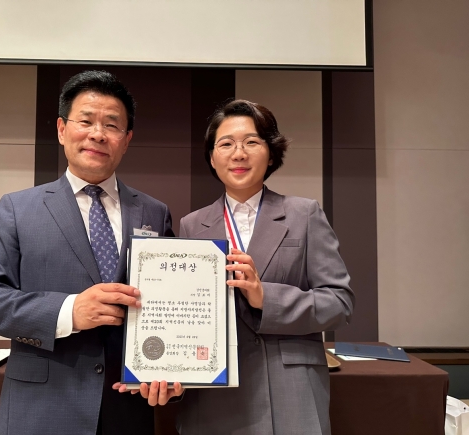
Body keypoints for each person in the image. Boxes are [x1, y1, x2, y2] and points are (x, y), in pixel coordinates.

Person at [118, 99, 355, 435]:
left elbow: (340, 303)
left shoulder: (304, 215)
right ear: (212, 158)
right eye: (226, 144)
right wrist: (171, 371)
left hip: (290, 392)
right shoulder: (191, 224)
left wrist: (265, 297)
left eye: (251, 142)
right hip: (215, 402)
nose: (238, 153)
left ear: (271, 154)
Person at [0, 70, 174, 435]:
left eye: (112, 125)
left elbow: (167, 305)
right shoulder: (17, 208)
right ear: (62, 130)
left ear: (126, 140)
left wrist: (172, 368)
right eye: (85, 121)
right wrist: (68, 311)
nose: (97, 134)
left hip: (128, 407)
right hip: (43, 408)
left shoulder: (154, 212)